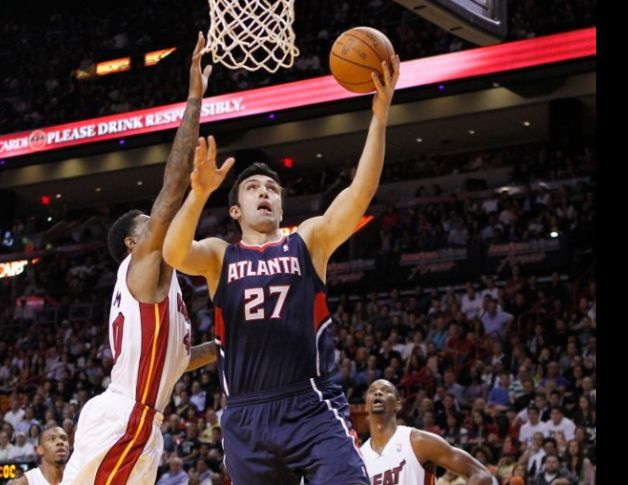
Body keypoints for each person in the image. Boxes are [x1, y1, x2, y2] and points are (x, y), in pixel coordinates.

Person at [163, 54, 401, 484]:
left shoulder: (307, 241)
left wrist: (379, 119)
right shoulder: (220, 255)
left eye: (272, 188)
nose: (265, 193)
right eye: (254, 188)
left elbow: (359, 194)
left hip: (310, 402)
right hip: (246, 414)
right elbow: (174, 254)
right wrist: (197, 195)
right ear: (236, 209)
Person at [60, 33, 218, 485]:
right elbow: (173, 186)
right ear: (134, 244)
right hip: (126, 418)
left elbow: (177, 359)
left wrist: (231, 345)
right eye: (149, 223)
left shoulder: (161, 291)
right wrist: (194, 101)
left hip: (143, 421)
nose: (159, 225)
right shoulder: (142, 267)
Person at [361, 379, 494, 485]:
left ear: (398, 405)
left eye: (385, 390)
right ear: (366, 405)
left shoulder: (418, 441)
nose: (378, 393)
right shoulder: (358, 458)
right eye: (372, 391)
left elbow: (481, 474)